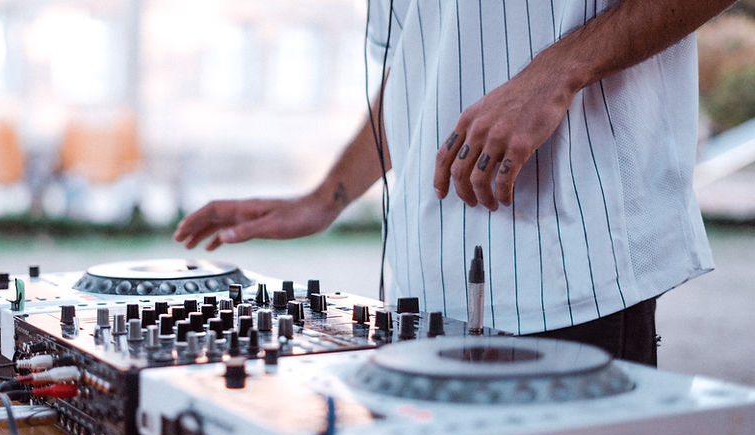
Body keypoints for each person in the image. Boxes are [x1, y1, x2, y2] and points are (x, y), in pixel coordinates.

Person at [174, 0, 736, 366]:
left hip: (573, 277)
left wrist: (557, 71)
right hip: (424, 296)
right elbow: (420, 73)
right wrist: (326, 199)